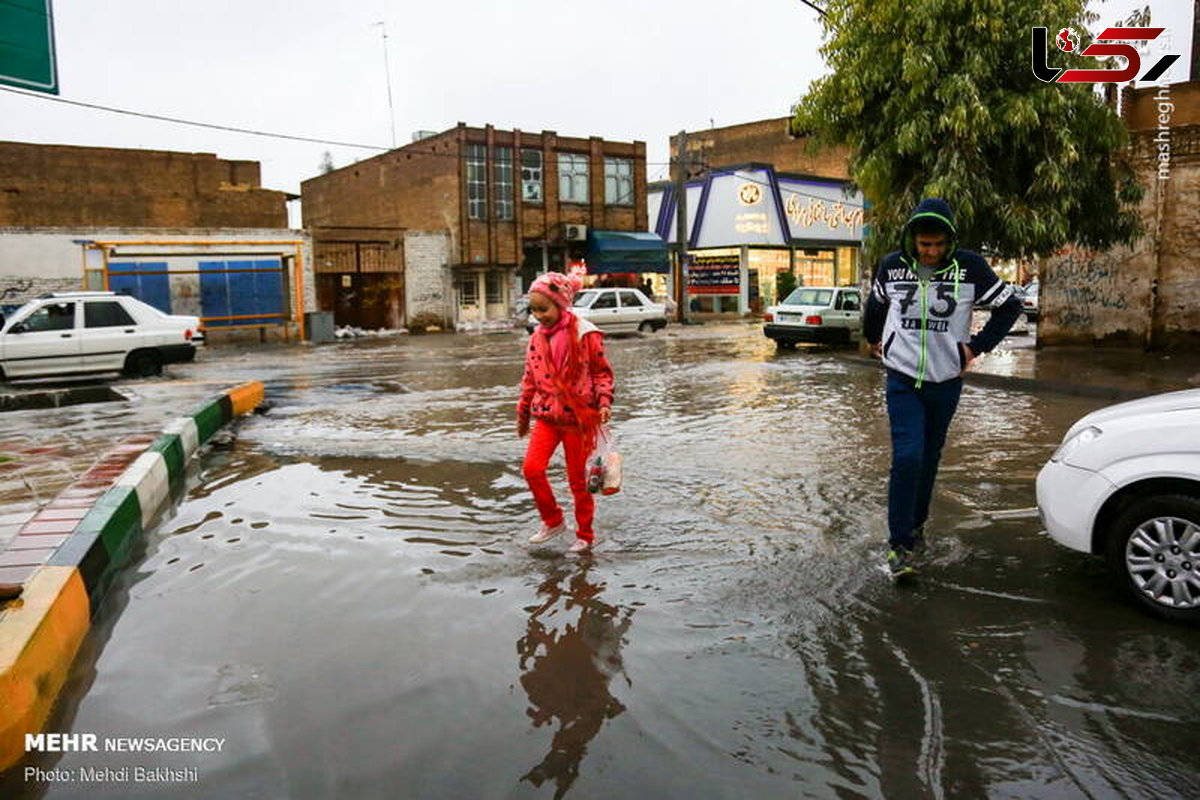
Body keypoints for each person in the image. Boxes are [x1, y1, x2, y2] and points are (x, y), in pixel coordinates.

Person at [863, 198, 1022, 577]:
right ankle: (899, 545)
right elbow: (876, 303)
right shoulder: (892, 266)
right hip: (901, 377)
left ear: (949, 241)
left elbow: (1009, 307)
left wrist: (974, 348)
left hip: (946, 381)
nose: (930, 252)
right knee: (908, 456)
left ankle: (916, 526)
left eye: (937, 245)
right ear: (912, 240)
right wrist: (873, 339)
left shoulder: (970, 267)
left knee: (929, 456)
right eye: (924, 245)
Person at [518, 271, 614, 553]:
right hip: (546, 417)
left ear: (561, 304)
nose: (538, 315)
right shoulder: (536, 338)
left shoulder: (586, 333)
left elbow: (601, 373)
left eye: (543, 308)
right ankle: (553, 520)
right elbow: (529, 379)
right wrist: (523, 413)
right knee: (532, 469)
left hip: (578, 420)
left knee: (578, 482)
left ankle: (585, 535)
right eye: (533, 309)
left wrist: (605, 401)